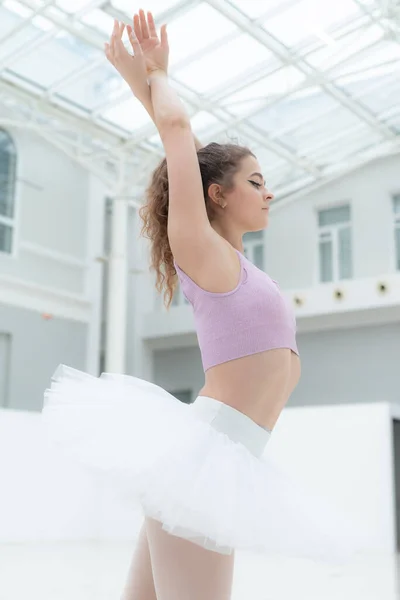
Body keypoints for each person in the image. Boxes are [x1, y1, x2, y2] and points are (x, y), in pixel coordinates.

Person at [42, 10, 364, 600]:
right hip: (208, 460)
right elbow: (177, 126)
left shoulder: (234, 262)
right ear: (217, 194)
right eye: (257, 181)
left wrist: (138, 79)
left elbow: (180, 140)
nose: (270, 192)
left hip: (220, 460)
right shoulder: (200, 250)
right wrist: (158, 73)